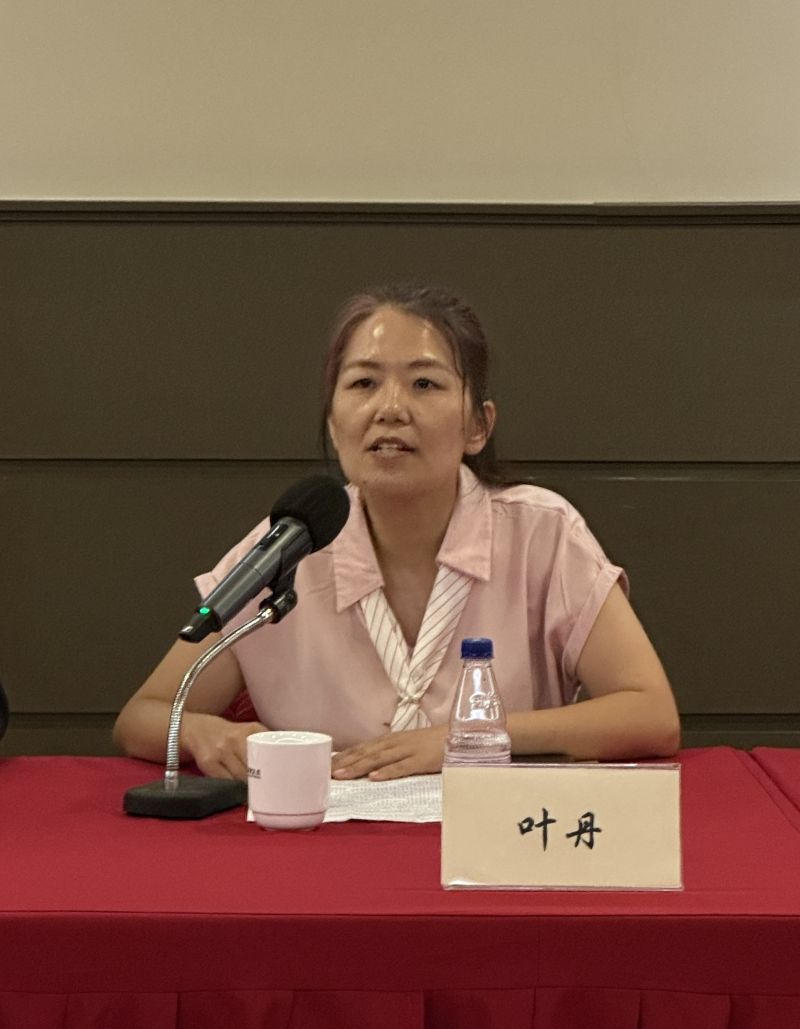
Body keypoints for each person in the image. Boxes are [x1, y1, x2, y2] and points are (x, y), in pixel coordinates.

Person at [113, 284, 679, 781]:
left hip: (494, 841)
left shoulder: (542, 533)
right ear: (334, 424)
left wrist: (464, 738)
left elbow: (649, 714)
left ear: (478, 425)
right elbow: (144, 715)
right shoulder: (290, 543)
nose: (390, 408)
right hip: (323, 845)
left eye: (424, 384)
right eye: (363, 383)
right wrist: (204, 733)